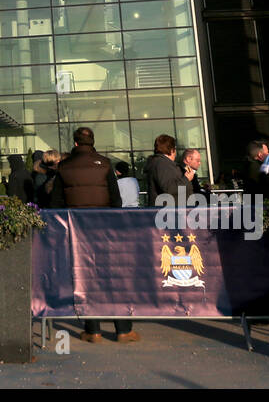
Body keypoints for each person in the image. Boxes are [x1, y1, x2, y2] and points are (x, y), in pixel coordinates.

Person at [49, 127, 136, 343]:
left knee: (84, 278)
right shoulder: (105, 164)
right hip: (104, 229)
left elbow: (56, 203)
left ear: (75, 144)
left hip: (77, 231)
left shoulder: (64, 167)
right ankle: (123, 329)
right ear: (92, 142)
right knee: (113, 277)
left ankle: (93, 329)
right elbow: (116, 201)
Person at [146, 134, 190, 206]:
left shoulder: (160, 163)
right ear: (172, 150)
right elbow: (169, 188)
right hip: (166, 211)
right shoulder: (161, 164)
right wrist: (186, 179)